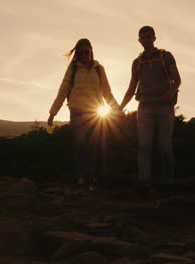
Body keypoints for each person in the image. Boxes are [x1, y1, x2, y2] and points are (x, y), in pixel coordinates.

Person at [48, 38, 122, 191]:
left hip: (95, 112)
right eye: (80, 52)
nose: (83, 55)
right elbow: (63, 91)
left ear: (91, 51)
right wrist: (52, 113)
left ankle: (96, 179)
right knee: (81, 145)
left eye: (86, 52)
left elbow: (107, 93)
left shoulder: (99, 69)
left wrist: (117, 111)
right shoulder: (73, 69)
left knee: (98, 145)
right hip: (77, 112)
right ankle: (81, 178)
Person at [119, 26, 182, 190]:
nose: (146, 39)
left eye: (149, 36)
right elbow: (131, 89)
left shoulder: (165, 56)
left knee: (165, 147)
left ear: (154, 38)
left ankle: (168, 183)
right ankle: (144, 183)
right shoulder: (137, 63)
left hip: (164, 107)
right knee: (144, 147)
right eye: (143, 37)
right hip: (145, 107)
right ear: (139, 40)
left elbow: (177, 80)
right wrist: (119, 108)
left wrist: (170, 92)